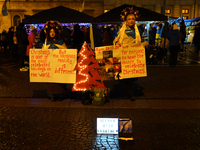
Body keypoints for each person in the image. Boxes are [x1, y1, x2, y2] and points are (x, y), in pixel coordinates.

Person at [113, 7, 148, 101]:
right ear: (126, 20)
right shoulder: (121, 31)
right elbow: (116, 40)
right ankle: (129, 93)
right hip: (124, 56)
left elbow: (141, 41)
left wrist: (144, 43)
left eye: (133, 19)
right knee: (127, 76)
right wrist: (117, 43)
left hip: (133, 56)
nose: (131, 21)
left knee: (131, 76)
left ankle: (128, 91)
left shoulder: (138, 30)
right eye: (129, 19)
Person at [43, 20, 67, 102]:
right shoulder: (47, 41)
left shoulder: (60, 41)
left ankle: (60, 95)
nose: (52, 33)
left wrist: (59, 47)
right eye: (50, 32)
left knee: (59, 80)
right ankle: (52, 95)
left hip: (59, 64)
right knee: (51, 81)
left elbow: (66, 50)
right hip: (50, 64)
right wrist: (46, 48)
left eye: (53, 31)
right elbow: (42, 52)